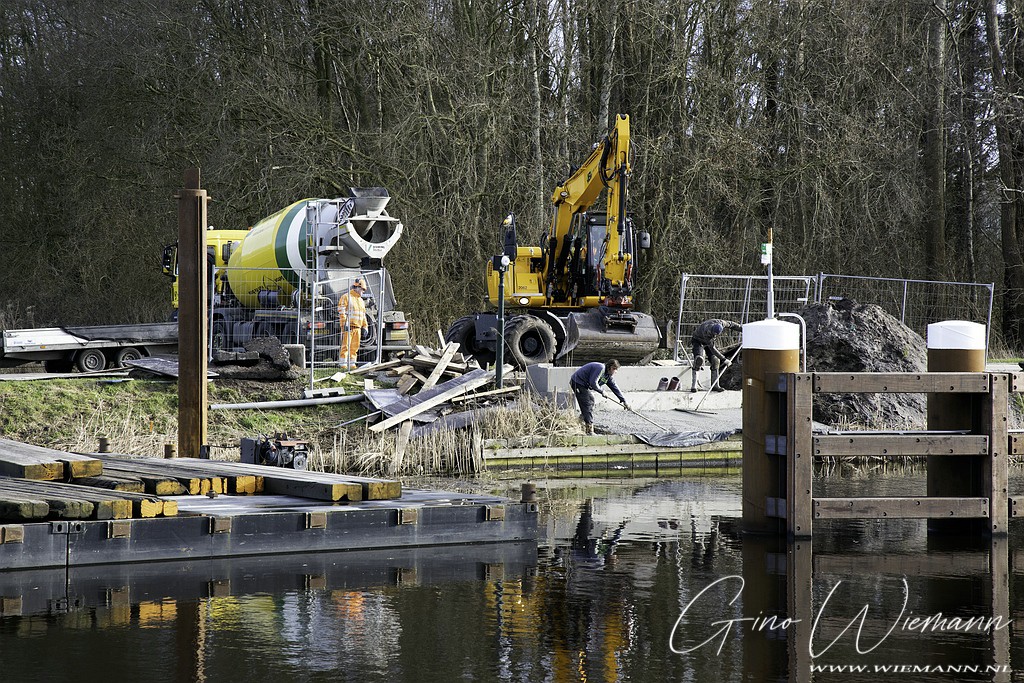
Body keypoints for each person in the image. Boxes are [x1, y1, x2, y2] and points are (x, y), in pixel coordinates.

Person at [570, 359, 628, 435]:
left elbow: (615, 387)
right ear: (610, 367)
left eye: (616, 370)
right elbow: (593, 383)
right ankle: (589, 430)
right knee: (587, 403)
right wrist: (602, 391)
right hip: (577, 382)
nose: (615, 371)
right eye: (614, 369)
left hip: (584, 385)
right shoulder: (601, 368)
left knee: (591, 401)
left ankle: (581, 419)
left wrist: (624, 401)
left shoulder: (608, 376)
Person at [690, 319, 741, 392]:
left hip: (709, 343)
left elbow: (732, 324)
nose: (714, 336)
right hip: (698, 340)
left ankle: (715, 385)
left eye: (716, 335)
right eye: (713, 334)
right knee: (699, 359)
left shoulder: (722, 323)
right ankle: (694, 385)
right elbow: (712, 349)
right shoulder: (707, 331)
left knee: (716, 360)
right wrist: (724, 359)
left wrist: (743, 329)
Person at [337, 278, 369, 370]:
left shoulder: (361, 301)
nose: (363, 291)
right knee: (345, 346)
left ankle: (352, 364)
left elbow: (363, 315)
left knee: (355, 347)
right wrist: (344, 324)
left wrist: (365, 326)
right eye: (362, 289)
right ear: (357, 287)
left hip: (357, 328)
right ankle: (343, 364)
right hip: (349, 327)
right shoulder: (346, 297)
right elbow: (341, 311)